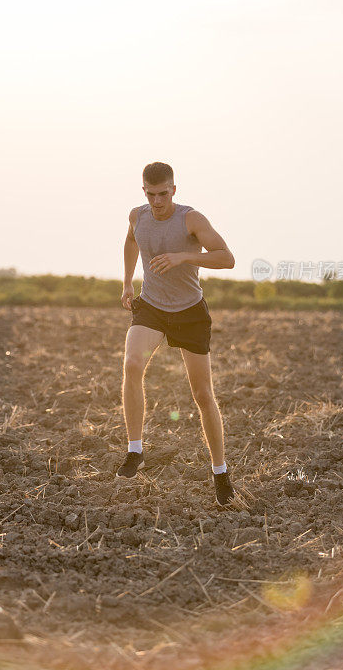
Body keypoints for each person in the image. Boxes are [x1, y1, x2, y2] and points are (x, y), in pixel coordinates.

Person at [117, 161, 237, 506]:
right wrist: (127, 281)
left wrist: (183, 256)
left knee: (202, 394)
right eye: (151, 194)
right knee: (132, 364)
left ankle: (220, 471)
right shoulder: (137, 216)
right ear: (144, 192)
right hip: (151, 306)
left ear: (174, 189)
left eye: (163, 193)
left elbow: (226, 258)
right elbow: (130, 241)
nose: (157, 201)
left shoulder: (191, 219)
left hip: (189, 312)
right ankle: (135, 450)